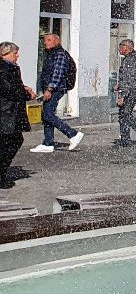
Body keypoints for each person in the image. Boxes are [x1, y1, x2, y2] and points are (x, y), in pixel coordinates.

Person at [31, 32, 81, 153]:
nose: (45, 42)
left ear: (56, 41)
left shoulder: (59, 54)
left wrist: (49, 89)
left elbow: (57, 73)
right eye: (44, 40)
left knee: (48, 114)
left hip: (55, 89)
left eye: (48, 40)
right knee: (46, 114)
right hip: (51, 88)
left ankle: (73, 134)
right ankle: (48, 143)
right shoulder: (51, 53)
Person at [0, 42, 34, 188]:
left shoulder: (10, 68)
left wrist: (23, 88)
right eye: (15, 53)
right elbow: (9, 90)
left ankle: (2, 173)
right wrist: (27, 94)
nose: (17, 56)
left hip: (9, 112)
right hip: (5, 112)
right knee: (9, 143)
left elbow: (13, 87)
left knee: (11, 141)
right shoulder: (3, 69)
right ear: (5, 54)